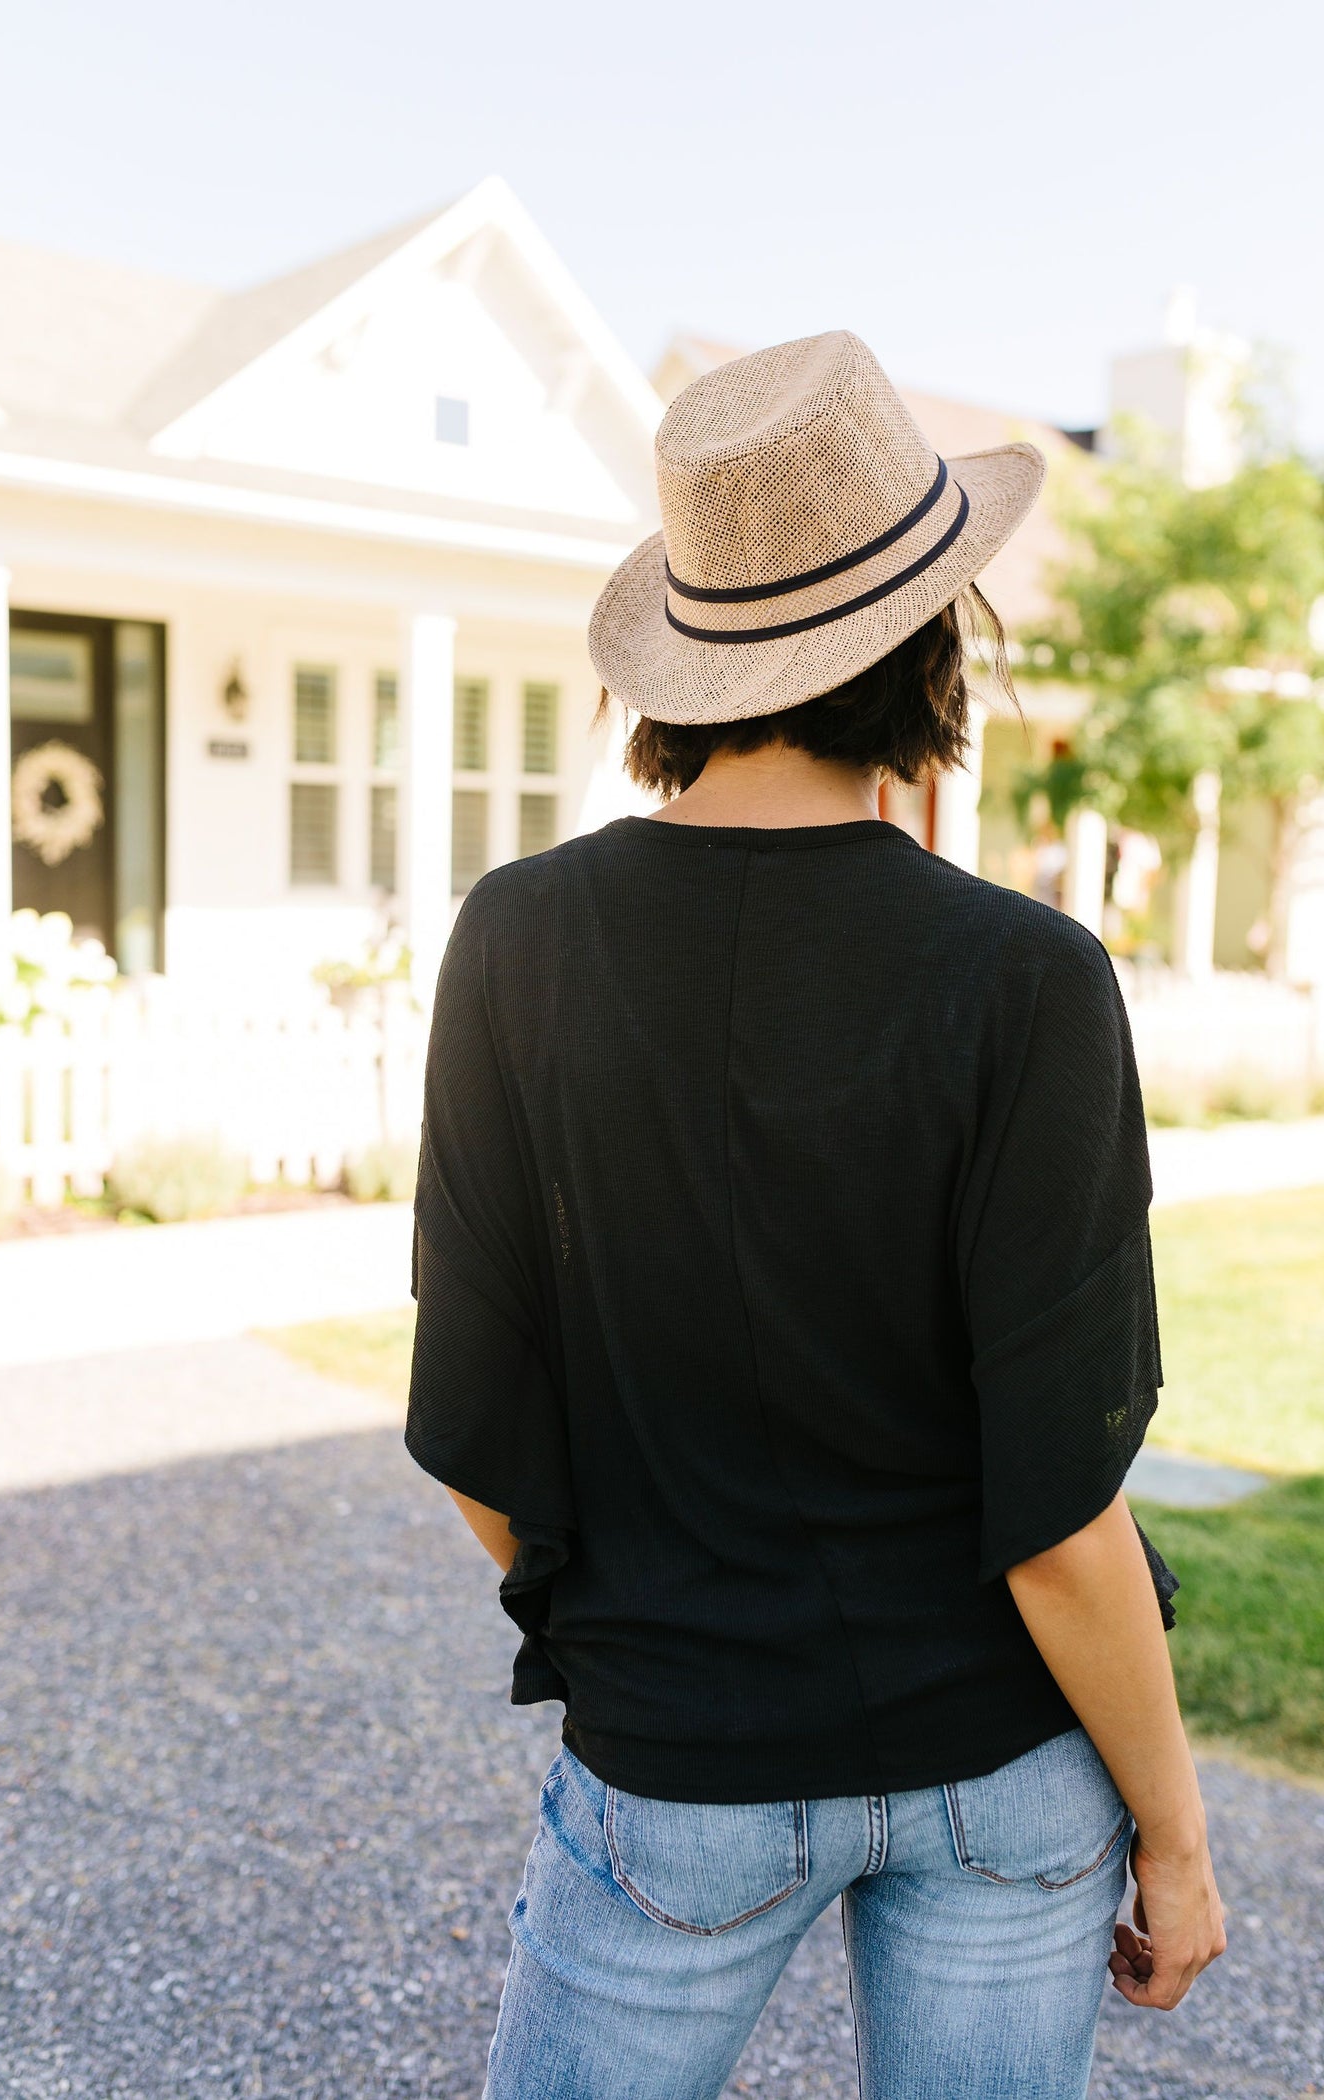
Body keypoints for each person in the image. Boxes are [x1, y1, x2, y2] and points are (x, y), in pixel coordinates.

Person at [405, 331, 1226, 2100]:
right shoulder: (1030, 978)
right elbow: (1059, 1511)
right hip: (1010, 1767)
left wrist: (626, 1620)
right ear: (934, 648)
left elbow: (470, 1426)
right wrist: (1178, 1835)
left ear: (687, 660)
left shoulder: (516, 939)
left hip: (674, 1762)